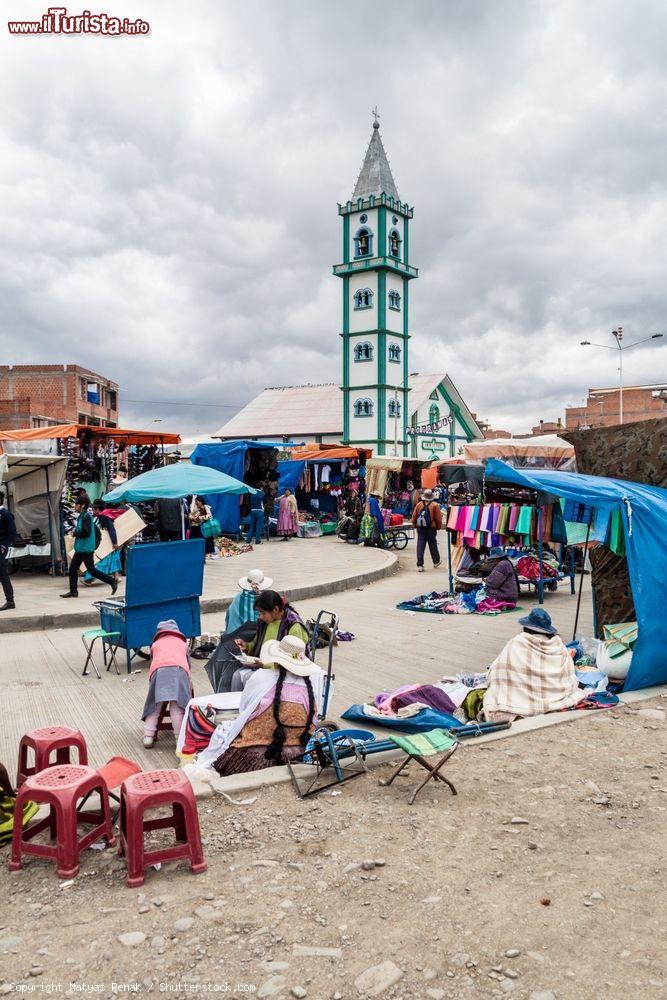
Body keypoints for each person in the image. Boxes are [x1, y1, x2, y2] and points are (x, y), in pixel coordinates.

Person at [205, 635, 324, 776]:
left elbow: (245, 710)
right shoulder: (309, 686)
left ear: (276, 660)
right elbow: (314, 720)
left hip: (255, 756)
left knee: (224, 731)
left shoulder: (261, 677)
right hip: (298, 754)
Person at [484, 609, 581, 721]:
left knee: (491, 696)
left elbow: (497, 673)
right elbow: (569, 675)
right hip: (556, 696)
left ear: (526, 628)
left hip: (520, 703)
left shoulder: (517, 642)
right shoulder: (559, 645)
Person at [231, 590, 309, 691]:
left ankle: (252, 706)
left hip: (283, 672)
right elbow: (257, 643)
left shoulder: (293, 626)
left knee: (249, 679)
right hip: (263, 667)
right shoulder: (265, 622)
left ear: (275, 609)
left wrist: (264, 664)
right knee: (236, 676)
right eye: (259, 613)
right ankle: (239, 705)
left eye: (263, 613)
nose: (260, 617)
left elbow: (292, 661)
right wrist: (246, 646)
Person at [141, 620, 192, 748]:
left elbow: (152, 662)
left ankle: (148, 736)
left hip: (159, 673)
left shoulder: (155, 645)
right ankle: (178, 738)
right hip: (179, 671)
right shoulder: (182, 643)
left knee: (155, 705)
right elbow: (188, 663)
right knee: (177, 706)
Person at [61, 497, 117, 599]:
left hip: (86, 549)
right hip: (81, 548)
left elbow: (86, 532)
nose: (75, 506)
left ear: (81, 505)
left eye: (76, 504)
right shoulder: (82, 516)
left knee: (91, 570)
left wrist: (75, 533)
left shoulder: (86, 517)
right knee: (73, 569)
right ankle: (73, 591)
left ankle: (112, 581)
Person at [82, 500, 122, 586]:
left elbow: (111, 529)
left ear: (97, 509)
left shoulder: (104, 516)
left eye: (93, 509)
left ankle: (89, 579)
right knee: (113, 559)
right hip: (107, 542)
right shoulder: (102, 515)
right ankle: (116, 577)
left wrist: (114, 543)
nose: (92, 511)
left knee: (100, 563)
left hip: (107, 543)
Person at [225, 568, 273, 634]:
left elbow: (229, 616)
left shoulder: (238, 598)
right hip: (262, 637)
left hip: (237, 637)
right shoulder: (269, 598)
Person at [411, 488, 443, 572]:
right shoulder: (435, 505)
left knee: (420, 546)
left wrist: (414, 525)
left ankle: (420, 565)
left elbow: (414, 516)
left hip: (421, 528)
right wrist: (438, 527)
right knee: (433, 545)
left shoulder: (419, 504)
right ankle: (436, 562)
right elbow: (438, 519)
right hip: (431, 529)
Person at [0, 491, 17, 611]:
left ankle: (10, 600)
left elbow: (12, 534)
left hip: (1, 549)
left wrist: (3, 547)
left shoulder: (6, 514)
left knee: (3, 575)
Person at [189, 495, 217, 559]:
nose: (196, 503)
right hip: (197, 528)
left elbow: (209, 516)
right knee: (196, 542)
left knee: (204, 543)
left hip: (204, 529)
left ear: (201, 501)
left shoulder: (205, 507)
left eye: (197, 501)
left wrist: (200, 518)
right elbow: (192, 516)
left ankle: (202, 557)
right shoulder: (197, 509)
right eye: (195, 501)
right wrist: (192, 517)